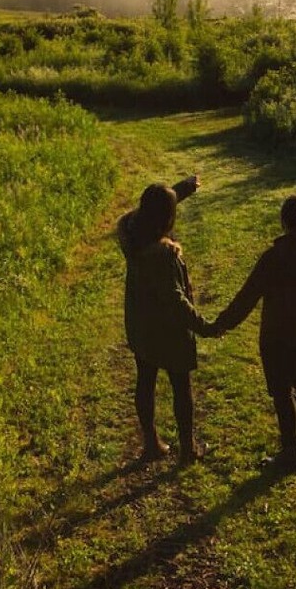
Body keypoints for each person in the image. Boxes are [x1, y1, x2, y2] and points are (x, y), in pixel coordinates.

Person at [214, 194, 296, 470]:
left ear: (282, 221)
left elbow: (248, 296)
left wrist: (223, 323)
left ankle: (291, 450)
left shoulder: (272, 257)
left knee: (282, 391)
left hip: (274, 333)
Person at [117, 176, 218, 465]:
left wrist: (182, 189)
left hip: (141, 325)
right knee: (181, 388)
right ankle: (188, 449)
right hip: (170, 333)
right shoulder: (165, 256)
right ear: (167, 219)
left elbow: (147, 212)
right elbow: (176, 302)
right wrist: (204, 327)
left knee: (145, 381)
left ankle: (151, 444)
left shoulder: (130, 235)